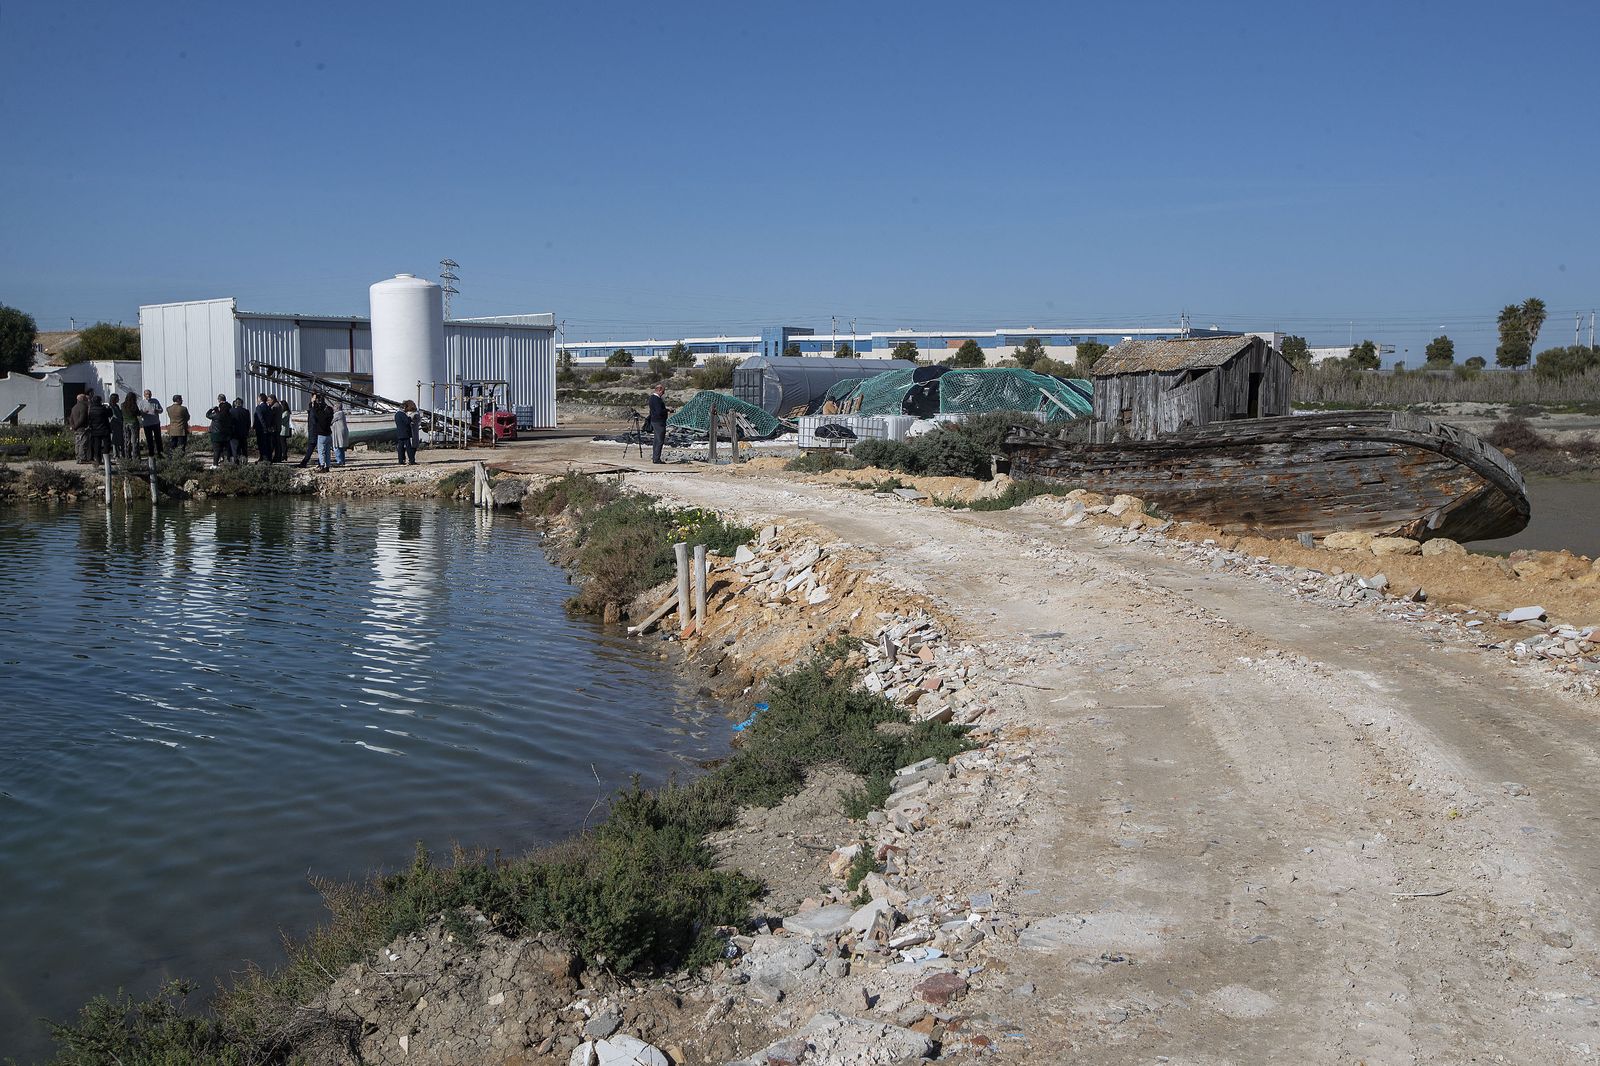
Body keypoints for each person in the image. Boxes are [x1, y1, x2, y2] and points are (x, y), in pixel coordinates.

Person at [206, 394, 232, 466]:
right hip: (226, 434)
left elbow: (208, 415)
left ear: (219, 400)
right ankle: (227, 463)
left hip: (216, 435)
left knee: (217, 450)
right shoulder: (229, 413)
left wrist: (212, 409)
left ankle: (215, 464)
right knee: (227, 450)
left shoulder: (217, 414)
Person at [646, 382, 670, 464]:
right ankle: (656, 459)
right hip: (659, 422)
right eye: (663, 391)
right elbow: (659, 411)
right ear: (659, 390)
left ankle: (655, 457)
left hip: (655, 421)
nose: (663, 393)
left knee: (656, 440)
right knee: (659, 440)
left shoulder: (651, 398)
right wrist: (667, 410)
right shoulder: (656, 399)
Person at [85, 391, 110, 464]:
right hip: (104, 429)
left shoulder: (91, 410)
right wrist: (108, 408)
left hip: (95, 429)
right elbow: (110, 414)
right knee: (107, 444)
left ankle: (98, 459)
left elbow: (89, 419)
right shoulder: (103, 409)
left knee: (97, 445)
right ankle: (106, 458)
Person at [67, 392, 91, 463]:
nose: (87, 400)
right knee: (83, 443)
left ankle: (77, 458)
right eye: (86, 399)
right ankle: (82, 458)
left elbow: (71, 418)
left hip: (76, 429)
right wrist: (76, 426)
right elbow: (82, 419)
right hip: (82, 428)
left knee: (77, 443)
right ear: (83, 399)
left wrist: (73, 426)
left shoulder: (74, 407)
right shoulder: (84, 407)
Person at [140, 390, 164, 457]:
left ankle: (160, 454)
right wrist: (143, 413)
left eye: (149, 394)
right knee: (149, 439)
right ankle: (151, 454)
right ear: (144, 395)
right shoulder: (141, 403)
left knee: (158, 439)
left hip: (155, 422)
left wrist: (157, 410)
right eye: (147, 394)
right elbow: (139, 413)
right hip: (147, 424)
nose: (148, 395)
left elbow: (161, 410)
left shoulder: (155, 401)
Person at [252, 394, 275, 463]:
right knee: (267, 444)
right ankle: (268, 458)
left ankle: (264, 458)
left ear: (260, 399)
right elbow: (271, 418)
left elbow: (260, 418)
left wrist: (263, 428)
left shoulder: (259, 407)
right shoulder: (268, 407)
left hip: (261, 429)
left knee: (261, 444)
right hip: (268, 428)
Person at [230, 398, 251, 463]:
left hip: (234, 433)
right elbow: (248, 423)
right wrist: (247, 431)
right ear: (242, 403)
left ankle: (236, 462)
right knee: (244, 448)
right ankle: (245, 461)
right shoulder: (246, 411)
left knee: (235, 449)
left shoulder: (231, 411)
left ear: (235, 403)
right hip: (244, 433)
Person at [121, 392, 142, 457]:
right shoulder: (134, 405)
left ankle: (127, 456)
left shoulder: (122, 405)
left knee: (127, 440)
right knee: (135, 440)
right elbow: (138, 413)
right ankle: (135, 456)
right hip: (133, 422)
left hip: (125, 423)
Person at [106, 393, 126, 458]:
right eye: (117, 398)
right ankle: (116, 454)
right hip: (114, 424)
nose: (119, 399)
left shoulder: (116, 406)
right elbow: (114, 416)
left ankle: (121, 453)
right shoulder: (111, 406)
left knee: (120, 439)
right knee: (115, 440)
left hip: (119, 424)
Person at [330, 400, 349, 467]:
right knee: (341, 447)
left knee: (336, 446)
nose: (333, 408)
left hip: (338, 432)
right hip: (341, 432)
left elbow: (330, 421)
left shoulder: (338, 414)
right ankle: (342, 461)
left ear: (337, 407)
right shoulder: (342, 413)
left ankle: (339, 461)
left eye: (334, 406)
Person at [275, 396, 292, 462]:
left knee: (283, 443)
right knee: (282, 443)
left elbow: (283, 421)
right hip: (282, 430)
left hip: (283, 430)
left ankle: (284, 455)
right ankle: (283, 455)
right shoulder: (283, 412)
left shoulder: (286, 413)